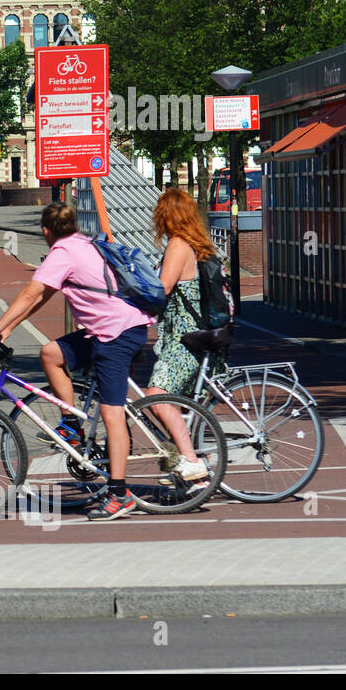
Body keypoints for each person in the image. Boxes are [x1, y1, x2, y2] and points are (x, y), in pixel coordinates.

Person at [0, 202, 153, 521]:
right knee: (50, 353)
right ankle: (72, 425)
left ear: (46, 231)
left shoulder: (62, 252)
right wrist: (6, 329)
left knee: (111, 411)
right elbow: (43, 296)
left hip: (115, 334)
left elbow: (30, 295)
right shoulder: (84, 243)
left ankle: (119, 494)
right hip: (110, 330)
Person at [141, 188, 219, 479]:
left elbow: (162, 289)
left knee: (155, 397)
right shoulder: (197, 243)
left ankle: (190, 460)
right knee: (177, 406)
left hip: (184, 341)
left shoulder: (178, 244)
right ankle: (196, 466)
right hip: (193, 337)